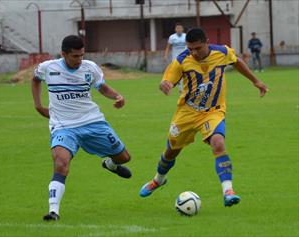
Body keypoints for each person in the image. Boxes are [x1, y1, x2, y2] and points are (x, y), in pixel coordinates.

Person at [139, 28, 268, 207]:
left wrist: (256, 81)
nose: (194, 52)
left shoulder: (221, 52)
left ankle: (228, 191)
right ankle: (158, 180)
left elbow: (236, 62)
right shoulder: (182, 60)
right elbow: (168, 79)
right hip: (187, 112)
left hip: (213, 111)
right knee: (171, 152)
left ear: (207, 42)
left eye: (198, 48)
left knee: (218, 143)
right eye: (191, 48)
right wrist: (165, 85)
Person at [31, 35, 132, 221]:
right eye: (75, 56)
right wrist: (38, 105)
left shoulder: (90, 68)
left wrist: (118, 96)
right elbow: (35, 79)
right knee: (61, 163)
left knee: (124, 157)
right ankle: (54, 211)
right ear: (63, 54)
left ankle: (110, 164)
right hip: (63, 127)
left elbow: (102, 87)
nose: (79, 60)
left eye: (82, 55)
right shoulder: (48, 68)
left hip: (92, 122)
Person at [163, 23, 187, 93]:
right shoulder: (172, 37)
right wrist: (165, 55)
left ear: (182, 29)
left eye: (180, 28)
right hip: (176, 58)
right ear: (175, 29)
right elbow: (168, 47)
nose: (179, 30)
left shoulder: (186, 36)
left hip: (185, 57)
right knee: (177, 72)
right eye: (177, 28)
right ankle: (180, 88)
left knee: (185, 72)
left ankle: (183, 87)